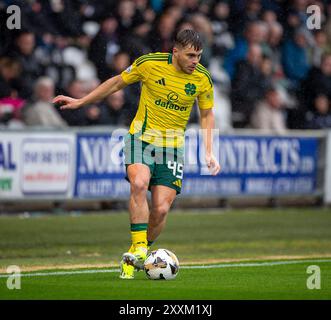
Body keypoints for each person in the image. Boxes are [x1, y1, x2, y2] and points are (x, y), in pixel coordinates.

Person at [53, 29, 221, 279]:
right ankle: (140, 247)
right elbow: (117, 82)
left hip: (173, 148)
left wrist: (209, 151)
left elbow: (207, 114)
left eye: (198, 56)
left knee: (162, 209)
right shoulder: (149, 64)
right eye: (190, 55)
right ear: (175, 52)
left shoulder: (202, 78)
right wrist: (81, 102)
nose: (195, 61)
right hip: (140, 139)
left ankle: (137, 252)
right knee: (139, 183)